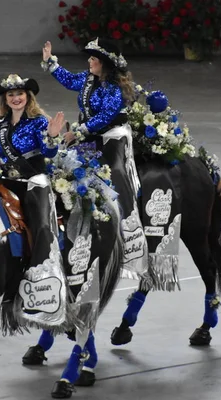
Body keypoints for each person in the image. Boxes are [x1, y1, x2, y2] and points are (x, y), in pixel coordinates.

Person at [40, 37, 149, 281]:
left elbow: (106, 117)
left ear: (104, 64)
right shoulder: (88, 79)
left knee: (115, 171)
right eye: (89, 58)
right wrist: (51, 63)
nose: (89, 62)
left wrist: (76, 132)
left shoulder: (114, 88)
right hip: (90, 135)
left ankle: (127, 225)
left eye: (93, 59)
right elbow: (69, 80)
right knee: (71, 165)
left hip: (111, 136)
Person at [0, 73, 64, 274]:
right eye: (11, 95)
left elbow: (48, 152)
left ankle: (44, 269)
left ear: (27, 96)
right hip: (5, 182)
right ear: (5, 99)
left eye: (19, 94)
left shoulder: (38, 122)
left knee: (41, 225)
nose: (15, 98)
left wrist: (52, 137)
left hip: (33, 180)